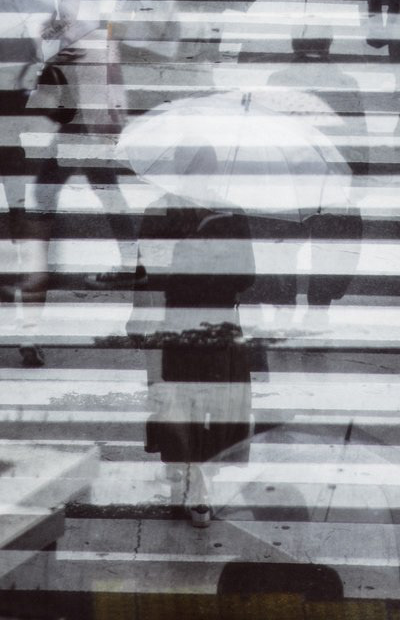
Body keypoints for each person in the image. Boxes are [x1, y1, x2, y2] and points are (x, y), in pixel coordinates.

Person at [131, 155, 259, 526]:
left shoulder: (169, 213)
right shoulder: (227, 214)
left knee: (183, 405)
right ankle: (195, 483)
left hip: (179, 325)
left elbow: (149, 274)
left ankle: (187, 480)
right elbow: (247, 278)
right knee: (201, 407)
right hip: (201, 327)